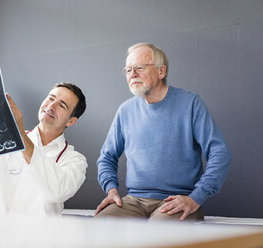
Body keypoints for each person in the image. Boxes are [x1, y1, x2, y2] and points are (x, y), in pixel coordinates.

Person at [95, 43, 232, 221]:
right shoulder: (125, 110)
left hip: (177, 200)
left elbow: (220, 153)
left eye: (139, 68)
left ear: (161, 72)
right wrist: (111, 189)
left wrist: (195, 198)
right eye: (128, 70)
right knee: (100, 225)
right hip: (134, 200)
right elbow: (106, 157)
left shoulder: (190, 104)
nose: (132, 74)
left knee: (158, 235)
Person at [0, 82, 87, 215]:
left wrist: (19, 135)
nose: (51, 106)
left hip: (35, 238)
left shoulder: (75, 160)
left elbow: (58, 191)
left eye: (62, 105)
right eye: (51, 98)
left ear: (71, 121)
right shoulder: (3, 140)